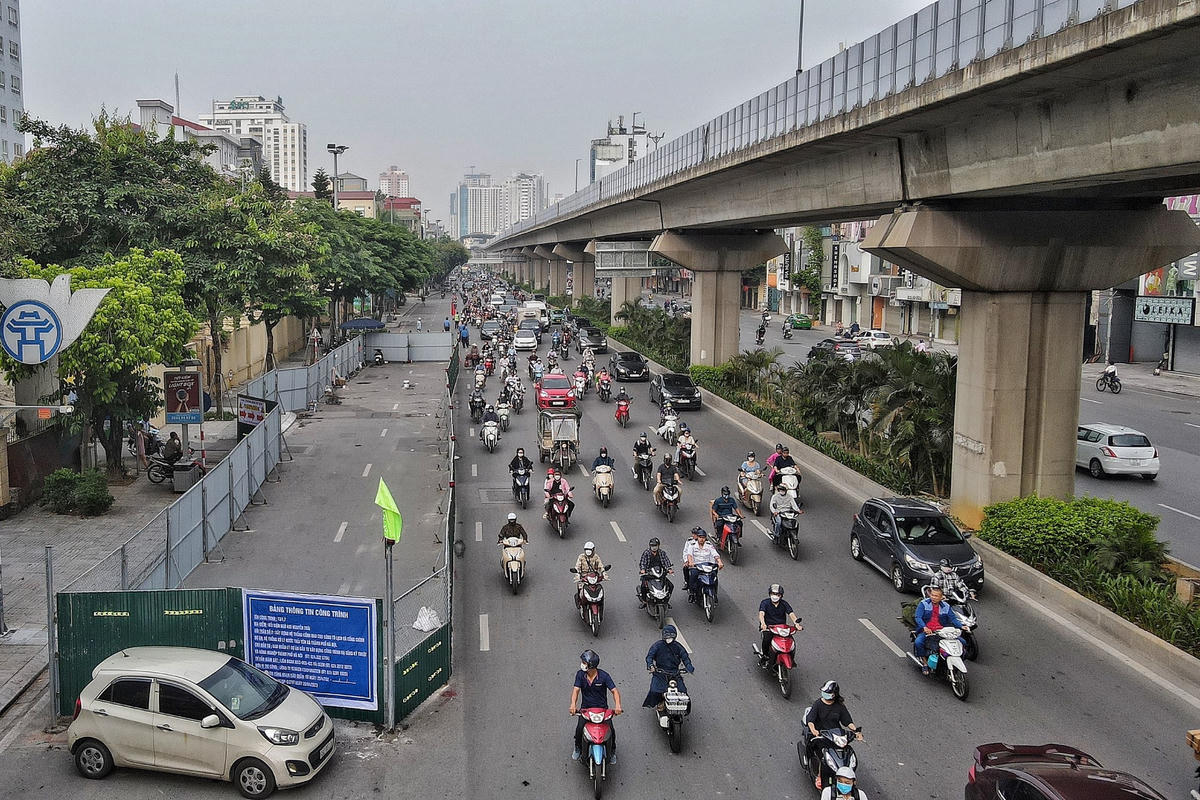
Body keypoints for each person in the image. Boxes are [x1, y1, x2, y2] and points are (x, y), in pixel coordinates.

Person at [804, 680, 863, 790]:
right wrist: (813, 730)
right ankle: (820, 777)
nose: (825, 694)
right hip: (821, 736)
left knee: (846, 752)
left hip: (835, 736)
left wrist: (856, 731)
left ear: (834, 694)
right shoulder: (818, 704)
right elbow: (810, 719)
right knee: (824, 755)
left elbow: (847, 721)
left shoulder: (839, 706)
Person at [569, 650, 622, 763]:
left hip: (602, 710)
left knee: (611, 730)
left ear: (591, 665)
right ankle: (578, 747)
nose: (582, 664)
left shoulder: (604, 676)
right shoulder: (580, 675)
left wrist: (617, 705)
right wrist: (573, 704)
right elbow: (576, 691)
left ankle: (612, 751)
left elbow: (615, 691)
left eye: (584, 662)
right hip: (586, 710)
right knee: (579, 729)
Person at [913, 586, 965, 674]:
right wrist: (924, 627)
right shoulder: (923, 604)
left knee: (962, 642)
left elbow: (953, 619)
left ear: (941, 597)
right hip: (928, 631)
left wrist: (961, 626)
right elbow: (918, 617)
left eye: (936, 596)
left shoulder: (946, 606)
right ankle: (925, 663)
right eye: (932, 595)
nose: (933, 597)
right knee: (918, 642)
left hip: (942, 631)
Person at [642, 625, 694, 712]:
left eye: (671, 636)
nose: (669, 639)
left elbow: (685, 658)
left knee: (683, 692)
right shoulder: (657, 646)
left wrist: (689, 667)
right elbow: (649, 657)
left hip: (675, 674)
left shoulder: (678, 647)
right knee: (655, 690)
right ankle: (660, 701)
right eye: (667, 636)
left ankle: (684, 710)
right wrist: (650, 665)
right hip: (660, 673)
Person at [757, 583, 801, 665]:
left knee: (791, 642)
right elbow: (761, 614)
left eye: (777, 594)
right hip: (768, 627)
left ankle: (791, 658)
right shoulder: (765, 603)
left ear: (781, 596)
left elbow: (791, 614)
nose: (775, 596)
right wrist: (763, 624)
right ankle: (765, 656)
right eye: (773, 594)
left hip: (781, 628)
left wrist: (796, 624)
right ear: (770, 594)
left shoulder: (784, 604)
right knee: (766, 640)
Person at [682, 527, 723, 602]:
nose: (702, 539)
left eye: (703, 537)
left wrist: (719, 562)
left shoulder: (709, 545)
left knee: (714, 577)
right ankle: (692, 593)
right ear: (697, 537)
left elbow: (715, 554)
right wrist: (690, 562)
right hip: (697, 566)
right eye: (700, 537)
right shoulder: (692, 545)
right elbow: (689, 555)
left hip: (707, 565)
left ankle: (714, 593)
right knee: (693, 576)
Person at [637, 537, 674, 607]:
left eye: (655, 546)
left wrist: (669, 569)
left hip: (660, 574)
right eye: (652, 546)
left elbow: (666, 561)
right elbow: (642, 562)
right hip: (649, 574)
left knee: (671, 586)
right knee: (643, 587)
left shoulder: (662, 553)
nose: (654, 548)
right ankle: (644, 601)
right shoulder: (646, 553)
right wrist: (643, 570)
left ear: (658, 546)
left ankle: (666, 601)